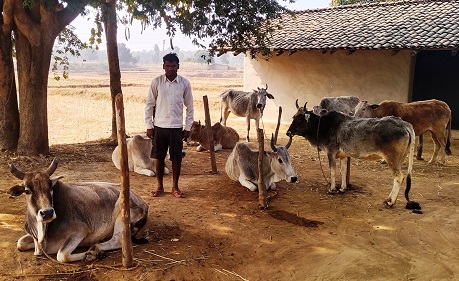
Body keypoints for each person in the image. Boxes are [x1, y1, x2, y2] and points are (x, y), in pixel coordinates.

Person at [145, 53, 194, 198]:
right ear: (163, 66)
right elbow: (149, 105)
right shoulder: (157, 82)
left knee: (176, 158)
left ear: (178, 67)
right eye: (168, 66)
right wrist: (149, 125)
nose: (170, 69)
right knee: (159, 157)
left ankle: (175, 187)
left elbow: (190, 107)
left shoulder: (185, 83)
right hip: (159, 126)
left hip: (176, 128)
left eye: (173, 66)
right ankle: (159, 187)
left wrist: (188, 127)